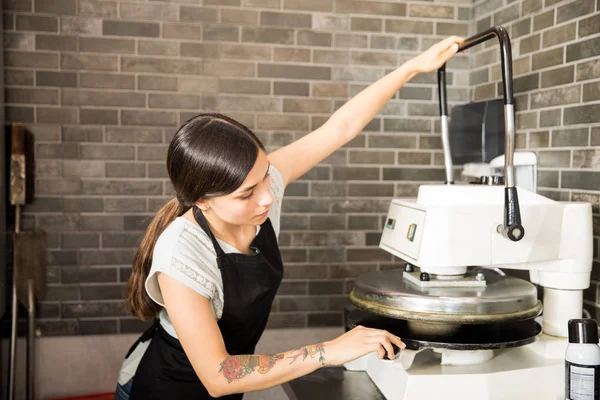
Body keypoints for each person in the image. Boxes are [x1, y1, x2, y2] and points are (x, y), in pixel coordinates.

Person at [114, 35, 462, 400]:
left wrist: (411, 68)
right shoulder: (180, 253)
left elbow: (339, 128)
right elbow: (219, 376)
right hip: (170, 389)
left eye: (265, 173)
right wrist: (329, 351)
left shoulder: (259, 189)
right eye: (246, 193)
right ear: (202, 201)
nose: (267, 196)